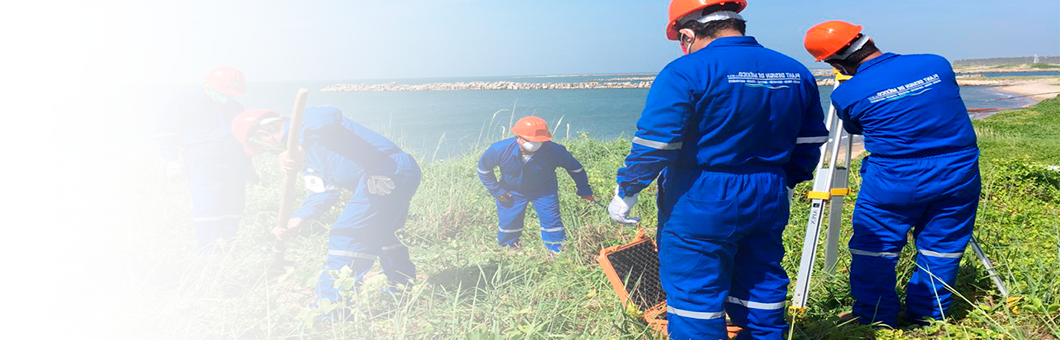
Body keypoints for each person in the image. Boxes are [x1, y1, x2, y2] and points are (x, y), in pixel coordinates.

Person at [607, 1, 829, 338]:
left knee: (694, 293)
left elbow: (657, 143)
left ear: (688, 32)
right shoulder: (794, 70)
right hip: (768, 189)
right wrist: (789, 180)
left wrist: (629, 189)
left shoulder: (686, 71)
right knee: (760, 282)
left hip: (701, 192)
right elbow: (811, 139)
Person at [804, 21, 981, 327]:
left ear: (834, 63)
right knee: (944, 245)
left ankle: (876, 319)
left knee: (875, 249)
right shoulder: (935, 63)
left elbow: (855, 126)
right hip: (958, 171)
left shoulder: (847, 94)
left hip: (896, 178)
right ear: (867, 39)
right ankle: (930, 318)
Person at [231, 105, 419, 314]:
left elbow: (329, 114)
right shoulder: (306, 158)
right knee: (386, 235)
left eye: (264, 148)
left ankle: (330, 311)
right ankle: (401, 290)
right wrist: (298, 219)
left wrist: (298, 145)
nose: (270, 152)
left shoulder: (306, 121)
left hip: (388, 169)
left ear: (263, 134)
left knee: (349, 233)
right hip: (387, 176)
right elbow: (322, 192)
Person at [156, 66, 251, 251]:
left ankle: (230, 245)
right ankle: (209, 251)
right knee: (209, 206)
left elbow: (242, 138)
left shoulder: (235, 106)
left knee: (235, 205)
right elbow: (166, 134)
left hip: (235, 164)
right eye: (223, 92)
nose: (227, 97)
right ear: (207, 85)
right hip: (204, 164)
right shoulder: (183, 103)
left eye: (231, 94)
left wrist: (249, 164)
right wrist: (172, 161)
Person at [477, 116, 594, 254]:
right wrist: (497, 191)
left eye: (539, 141)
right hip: (511, 191)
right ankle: (509, 250)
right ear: (518, 137)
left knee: (551, 221)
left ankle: (557, 251)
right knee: (509, 222)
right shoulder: (499, 150)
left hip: (544, 190)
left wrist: (584, 190)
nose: (535, 144)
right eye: (530, 140)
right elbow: (484, 169)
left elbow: (575, 168)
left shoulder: (555, 151)